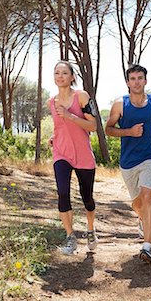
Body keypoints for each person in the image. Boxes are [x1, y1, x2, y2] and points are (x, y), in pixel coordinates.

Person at [105, 64, 151, 263]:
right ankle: (143, 218)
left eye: (140, 78)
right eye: (132, 79)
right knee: (138, 203)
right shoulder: (120, 105)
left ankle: (147, 246)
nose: (137, 82)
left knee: (147, 197)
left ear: (146, 80)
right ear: (127, 82)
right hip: (128, 162)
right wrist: (129, 132)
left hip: (150, 156)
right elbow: (108, 129)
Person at [48, 61, 98, 255]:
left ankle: (91, 229)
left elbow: (93, 127)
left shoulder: (82, 97)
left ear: (72, 77)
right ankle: (70, 237)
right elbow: (59, 126)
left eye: (64, 73)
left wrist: (70, 116)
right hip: (61, 153)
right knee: (62, 192)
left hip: (83, 155)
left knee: (87, 198)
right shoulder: (50, 102)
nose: (60, 76)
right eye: (57, 73)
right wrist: (54, 137)